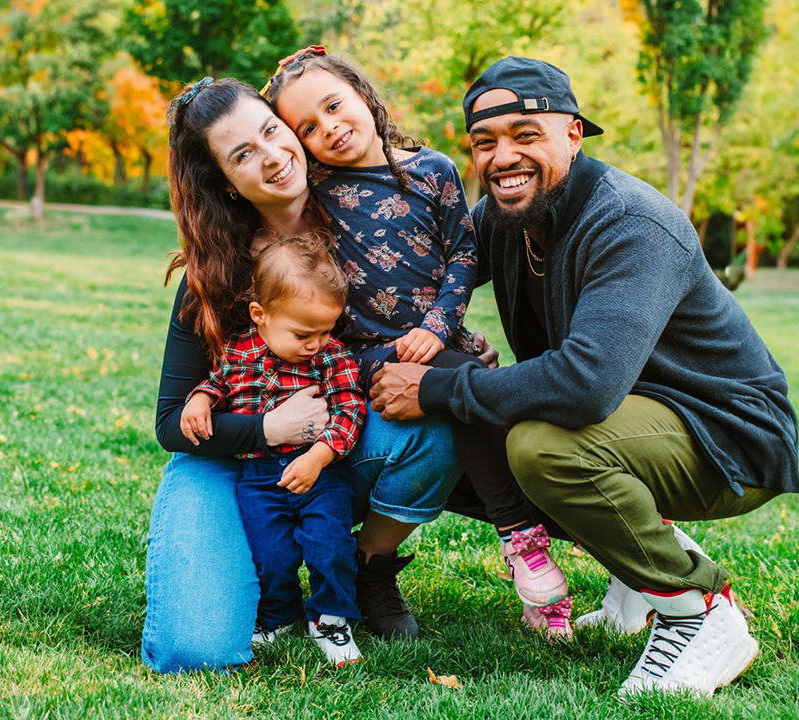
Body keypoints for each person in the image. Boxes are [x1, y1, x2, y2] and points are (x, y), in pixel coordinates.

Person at [370, 57, 799, 696]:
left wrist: (436, 387)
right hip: (632, 421)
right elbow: (410, 285)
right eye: (484, 144)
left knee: (539, 449)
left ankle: (698, 611)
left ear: (573, 134)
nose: (503, 157)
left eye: (526, 135)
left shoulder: (628, 220)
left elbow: (586, 384)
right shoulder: (505, 218)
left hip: (725, 435)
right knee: (464, 450)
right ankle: (637, 578)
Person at [143, 77, 492, 673]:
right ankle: (257, 580)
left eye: (272, 132)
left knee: (433, 411)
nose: (273, 156)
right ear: (224, 182)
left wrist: (453, 351)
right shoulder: (218, 273)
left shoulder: (361, 220)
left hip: (330, 450)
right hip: (225, 461)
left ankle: (364, 572)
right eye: (241, 155)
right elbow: (171, 425)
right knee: (193, 649)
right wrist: (268, 429)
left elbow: (450, 257)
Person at [264, 48, 572, 636]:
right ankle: (521, 539)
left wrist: (437, 327)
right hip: (365, 356)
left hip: (439, 339)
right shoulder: (314, 191)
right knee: (466, 387)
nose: (328, 127)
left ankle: (533, 560)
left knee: (474, 395)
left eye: (334, 106)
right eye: (308, 127)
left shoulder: (433, 169)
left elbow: (462, 252)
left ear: (363, 94)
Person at [180, 234, 366, 666]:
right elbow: (218, 383)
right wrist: (201, 400)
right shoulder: (238, 352)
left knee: (330, 546)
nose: (316, 342)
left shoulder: (331, 357)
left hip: (320, 474)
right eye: (304, 332)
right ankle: (278, 615)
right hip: (259, 478)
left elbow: (351, 410)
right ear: (260, 316)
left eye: (326, 329)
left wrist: (319, 456)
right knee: (270, 553)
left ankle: (332, 618)